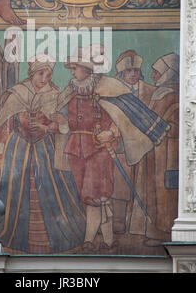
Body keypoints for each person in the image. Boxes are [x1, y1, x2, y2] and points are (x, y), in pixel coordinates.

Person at [57, 46, 171, 253]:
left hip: (100, 150)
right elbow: (64, 119)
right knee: (91, 197)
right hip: (76, 149)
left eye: (75, 68)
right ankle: (109, 240)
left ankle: (89, 240)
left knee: (96, 195)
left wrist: (112, 132)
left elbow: (121, 119)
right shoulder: (71, 92)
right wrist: (59, 122)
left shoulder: (108, 89)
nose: (72, 72)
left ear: (86, 69)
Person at [0, 55, 85, 254]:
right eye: (40, 73)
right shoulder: (18, 94)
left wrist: (51, 126)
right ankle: (16, 238)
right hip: (18, 149)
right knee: (17, 190)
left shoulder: (55, 94)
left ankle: (56, 238)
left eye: (48, 74)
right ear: (31, 73)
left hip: (45, 148)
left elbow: (64, 124)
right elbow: (3, 125)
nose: (44, 78)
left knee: (50, 187)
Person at [130, 53, 179, 246]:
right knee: (152, 190)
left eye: (157, 72)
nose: (153, 75)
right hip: (154, 151)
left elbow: (179, 125)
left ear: (169, 73)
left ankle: (164, 232)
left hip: (167, 154)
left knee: (164, 191)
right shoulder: (159, 93)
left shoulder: (174, 94)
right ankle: (154, 231)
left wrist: (165, 129)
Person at [113, 50, 155, 234]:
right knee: (120, 187)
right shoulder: (113, 91)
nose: (132, 74)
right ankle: (118, 224)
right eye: (128, 71)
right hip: (121, 147)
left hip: (144, 149)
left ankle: (140, 226)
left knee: (142, 187)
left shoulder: (150, 91)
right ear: (122, 73)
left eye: (135, 71)